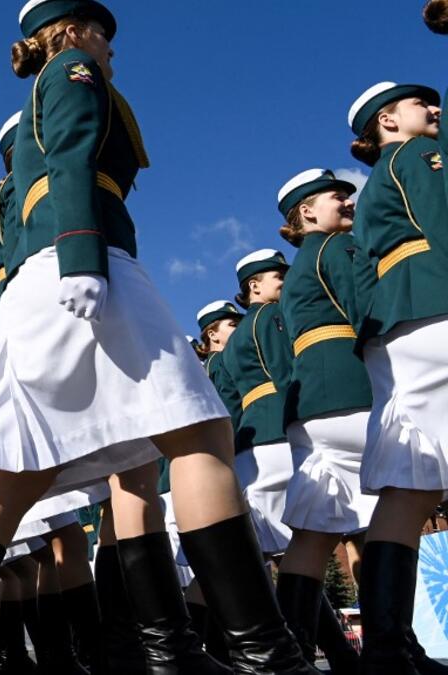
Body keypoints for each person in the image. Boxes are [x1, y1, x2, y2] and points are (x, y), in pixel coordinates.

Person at [0, 1, 316, 672]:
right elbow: (74, 159)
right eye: (101, 31)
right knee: (199, 434)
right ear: (71, 30)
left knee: (27, 474)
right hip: (88, 263)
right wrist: (85, 256)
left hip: (55, 271)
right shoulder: (74, 68)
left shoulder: (56, 74)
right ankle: (265, 654)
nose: (110, 47)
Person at [346, 80, 448, 673]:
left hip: (396, 327)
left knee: (410, 488)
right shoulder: (416, 155)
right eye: (422, 104)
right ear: (389, 119)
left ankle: (388, 645)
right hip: (437, 303)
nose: (435, 109)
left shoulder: (377, 182)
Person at [273, 169, 378, 672]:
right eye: (337, 195)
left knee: (313, 535)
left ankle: (287, 652)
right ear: (307, 212)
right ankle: (393, 649)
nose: (347, 201)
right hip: (353, 391)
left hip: (309, 407)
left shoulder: (297, 269)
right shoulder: (337, 248)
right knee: (390, 515)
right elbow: (366, 312)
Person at [221, 249, 295, 559]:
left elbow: (229, 405)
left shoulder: (229, 346)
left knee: (270, 549)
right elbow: (287, 372)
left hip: (249, 446)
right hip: (280, 431)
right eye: (279, 277)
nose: (284, 284)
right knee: (314, 538)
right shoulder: (271, 316)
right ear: (254, 286)